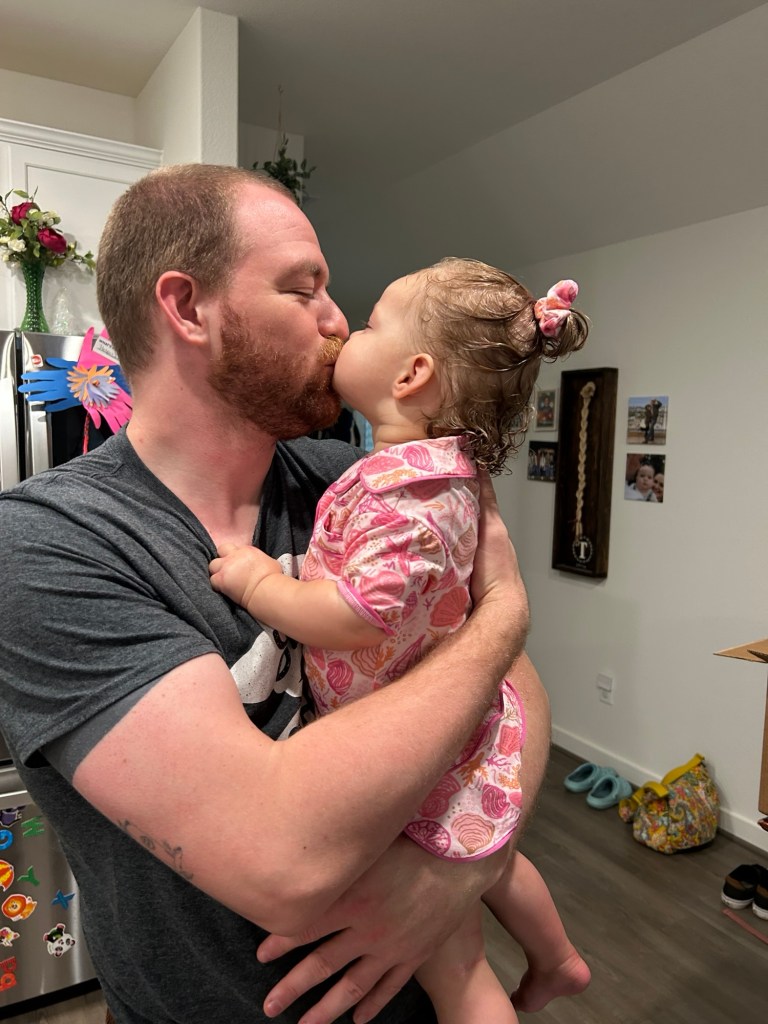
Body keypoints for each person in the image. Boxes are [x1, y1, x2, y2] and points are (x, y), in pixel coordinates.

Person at [0, 165, 539, 1024]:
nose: (336, 322)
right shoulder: (48, 545)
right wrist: (506, 611)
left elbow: (504, 697)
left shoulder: (355, 482)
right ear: (187, 307)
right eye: (305, 289)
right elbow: (284, 861)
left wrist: (455, 868)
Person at [209, 260, 592, 1023]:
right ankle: (557, 958)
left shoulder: (405, 490)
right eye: (302, 292)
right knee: (489, 849)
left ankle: (532, 974)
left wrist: (261, 588)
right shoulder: (427, 476)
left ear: (414, 373)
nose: (344, 324)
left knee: (459, 972)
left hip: (414, 739)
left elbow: (362, 613)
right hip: (450, 727)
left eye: (373, 319)